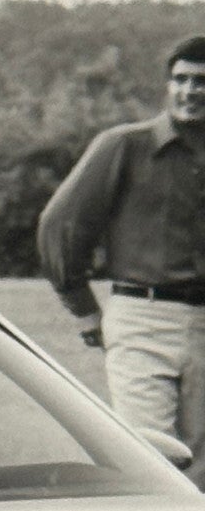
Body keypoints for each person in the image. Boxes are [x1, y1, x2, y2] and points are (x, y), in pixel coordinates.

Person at [38, 35, 205, 474]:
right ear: (168, 86)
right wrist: (84, 310)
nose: (191, 91)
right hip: (143, 319)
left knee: (202, 471)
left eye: (203, 81)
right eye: (181, 79)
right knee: (149, 459)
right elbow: (61, 225)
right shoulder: (124, 147)